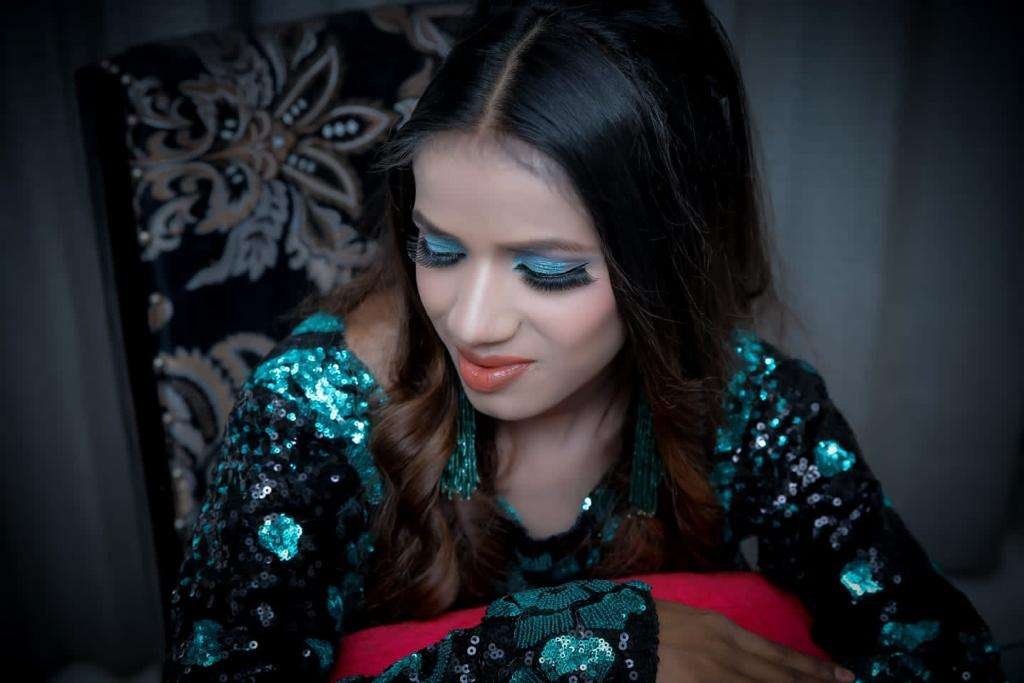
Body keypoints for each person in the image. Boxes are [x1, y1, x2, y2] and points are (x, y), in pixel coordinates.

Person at [163, 1, 1007, 681]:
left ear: (665, 263)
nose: (472, 321)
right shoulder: (309, 412)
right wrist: (579, 648)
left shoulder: (747, 397)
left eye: (549, 271)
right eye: (439, 250)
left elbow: (943, 649)